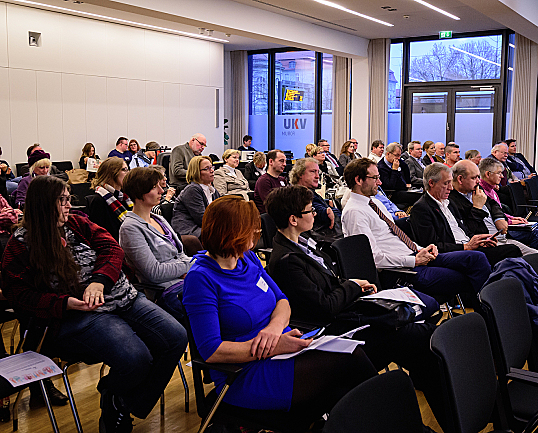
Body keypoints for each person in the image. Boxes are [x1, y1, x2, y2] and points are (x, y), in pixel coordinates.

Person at [1, 175, 187, 433]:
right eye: (62, 200)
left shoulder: (78, 223)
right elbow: (19, 296)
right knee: (136, 358)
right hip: (78, 316)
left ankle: (119, 399)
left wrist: (99, 281)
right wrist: (64, 303)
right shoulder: (20, 245)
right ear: (44, 204)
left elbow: (112, 250)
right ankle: (118, 401)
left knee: (176, 337)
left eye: (69, 199)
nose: (69, 205)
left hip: (122, 297)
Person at [182, 196, 377, 430]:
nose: (257, 230)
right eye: (250, 227)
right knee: (350, 365)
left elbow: (282, 301)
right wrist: (274, 346)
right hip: (245, 372)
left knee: (349, 375)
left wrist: (274, 330)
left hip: (284, 348)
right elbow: (211, 351)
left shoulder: (248, 259)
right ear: (230, 232)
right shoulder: (201, 279)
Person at [265, 186, 442, 407]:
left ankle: (441, 402)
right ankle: (437, 406)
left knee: (420, 340)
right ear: (293, 219)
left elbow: (329, 283)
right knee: (419, 335)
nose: (314, 214)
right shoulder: (287, 261)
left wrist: (353, 286)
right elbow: (325, 307)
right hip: (333, 332)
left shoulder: (304, 243)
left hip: (345, 314)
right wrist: (353, 287)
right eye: (310, 211)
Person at [342, 158, 491, 302]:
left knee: (477, 258)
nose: (380, 182)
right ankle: (487, 312)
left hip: (414, 255)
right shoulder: (354, 212)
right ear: (358, 180)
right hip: (403, 269)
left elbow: (396, 236)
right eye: (375, 178)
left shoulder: (374, 202)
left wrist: (422, 249)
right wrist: (414, 260)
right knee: (466, 276)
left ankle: (487, 310)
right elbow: (373, 258)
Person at [410, 163, 522, 266]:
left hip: (468, 247)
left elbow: (464, 229)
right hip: (454, 253)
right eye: (446, 183)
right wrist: (466, 246)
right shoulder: (421, 208)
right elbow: (431, 245)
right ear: (431, 183)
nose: (451, 187)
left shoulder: (449, 203)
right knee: (511, 251)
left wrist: (479, 241)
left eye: (450, 182)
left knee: (513, 251)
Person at [120, 167, 192, 322]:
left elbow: (179, 254)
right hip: (165, 290)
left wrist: (188, 267)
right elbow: (154, 273)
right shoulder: (130, 228)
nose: (161, 190)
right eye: (154, 187)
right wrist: (190, 265)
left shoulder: (158, 219)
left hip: (184, 280)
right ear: (139, 192)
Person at [449, 160, 537, 256]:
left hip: (501, 238)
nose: (478, 181)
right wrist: (477, 208)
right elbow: (468, 231)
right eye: (474, 178)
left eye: (478, 176)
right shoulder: (451, 201)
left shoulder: (476, 189)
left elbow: (493, 203)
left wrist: (499, 218)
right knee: (523, 254)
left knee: (537, 256)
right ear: (460, 179)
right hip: (485, 245)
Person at [478, 158, 538, 249]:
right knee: (537, 233)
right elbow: (491, 217)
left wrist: (513, 217)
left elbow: (499, 212)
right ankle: (535, 261)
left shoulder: (492, 190)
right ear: (488, 174)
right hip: (499, 230)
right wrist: (511, 221)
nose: (502, 176)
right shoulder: (481, 193)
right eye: (499, 173)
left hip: (504, 223)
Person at [172, 155, 219, 239]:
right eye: (207, 168)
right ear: (196, 172)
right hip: (189, 230)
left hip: (204, 227)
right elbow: (202, 219)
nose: (212, 171)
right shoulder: (192, 190)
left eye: (212, 167)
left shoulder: (212, 190)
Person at [87, 157, 132, 241]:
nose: (128, 173)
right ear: (112, 173)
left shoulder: (126, 197)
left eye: (128, 169)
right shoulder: (99, 200)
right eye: (124, 170)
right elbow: (98, 235)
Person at [289, 158, 340, 232]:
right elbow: (323, 213)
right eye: (313, 172)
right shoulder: (300, 195)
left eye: (318, 172)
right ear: (300, 174)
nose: (317, 176)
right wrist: (329, 211)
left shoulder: (308, 191)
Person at [376, 143, 416, 209]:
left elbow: (406, 168)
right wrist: (394, 170)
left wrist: (408, 183)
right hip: (392, 194)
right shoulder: (381, 167)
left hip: (402, 189)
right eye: (396, 155)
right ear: (388, 154)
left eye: (399, 155)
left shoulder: (398, 161)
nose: (398, 158)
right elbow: (390, 186)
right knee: (418, 197)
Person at [253, 150, 287, 214]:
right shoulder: (263, 181)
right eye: (281, 161)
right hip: (269, 218)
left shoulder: (282, 180)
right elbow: (271, 205)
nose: (284, 164)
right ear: (271, 161)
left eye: (285, 161)